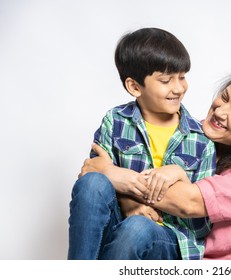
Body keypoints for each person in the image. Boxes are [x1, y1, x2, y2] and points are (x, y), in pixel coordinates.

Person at [81, 61, 231, 259]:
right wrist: (122, 195)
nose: (221, 111)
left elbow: (187, 202)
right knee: (96, 189)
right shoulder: (194, 136)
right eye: (224, 97)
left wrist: (113, 174)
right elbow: (147, 177)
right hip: (177, 257)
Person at [67, 27, 216, 260]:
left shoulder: (200, 141)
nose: (178, 88)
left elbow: (202, 227)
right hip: (119, 226)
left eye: (182, 76)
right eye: (166, 80)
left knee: (136, 228)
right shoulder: (115, 121)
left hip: (169, 241)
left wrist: (178, 184)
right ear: (135, 87)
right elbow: (94, 177)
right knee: (92, 184)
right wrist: (128, 203)